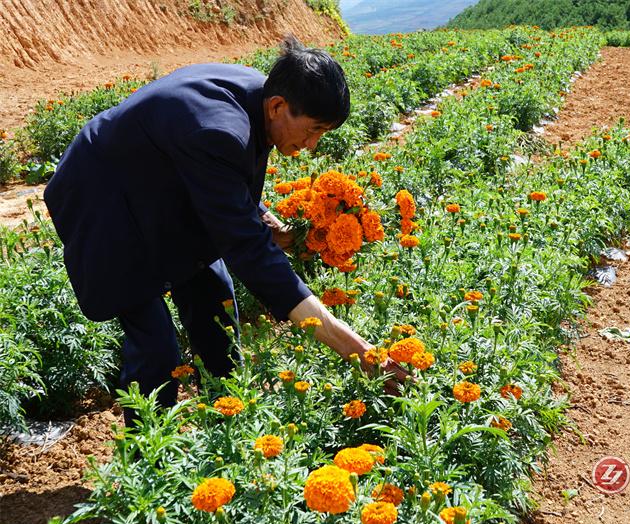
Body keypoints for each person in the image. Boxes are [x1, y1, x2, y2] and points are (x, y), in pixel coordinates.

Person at [44, 36, 408, 425]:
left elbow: (227, 186)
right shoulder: (220, 130)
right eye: (313, 130)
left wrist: (266, 222)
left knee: (216, 309)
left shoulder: (263, 99)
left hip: (160, 189)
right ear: (278, 107)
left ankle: (228, 425)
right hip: (104, 202)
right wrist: (360, 352)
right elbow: (252, 255)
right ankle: (146, 460)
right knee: (158, 351)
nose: (313, 144)